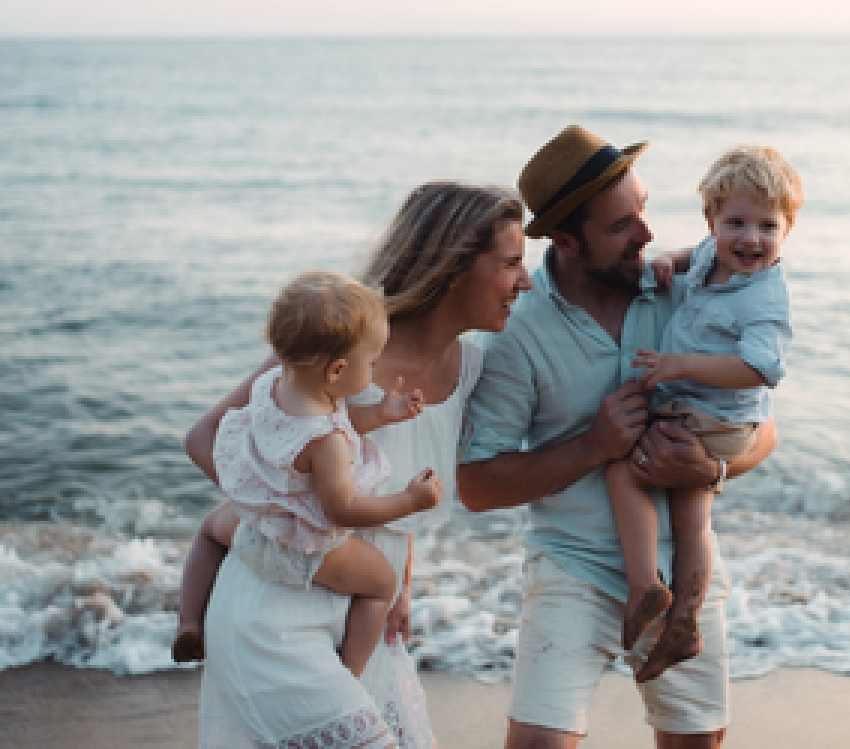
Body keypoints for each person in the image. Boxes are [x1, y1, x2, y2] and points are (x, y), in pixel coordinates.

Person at [458, 125, 779, 748]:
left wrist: (707, 473)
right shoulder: (517, 328)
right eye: (621, 226)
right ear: (567, 242)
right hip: (571, 571)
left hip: (684, 569)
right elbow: (476, 486)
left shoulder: (686, 294)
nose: (648, 235)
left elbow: (763, 430)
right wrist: (593, 445)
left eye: (644, 211)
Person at [185, 182, 530, 749]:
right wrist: (291, 531)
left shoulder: (468, 367)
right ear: (451, 268)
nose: (526, 280)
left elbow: (397, 482)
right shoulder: (339, 351)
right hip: (274, 622)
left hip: (366, 629)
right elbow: (206, 439)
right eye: (512, 263)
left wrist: (403, 584)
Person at [172, 270, 442, 678]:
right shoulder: (327, 441)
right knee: (382, 584)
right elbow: (343, 509)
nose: (374, 369)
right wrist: (410, 500)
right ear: (335, 372)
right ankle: (351, 671)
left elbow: (321, 419)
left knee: (210, 529)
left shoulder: (272, 384)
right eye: (370, 362)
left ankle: (189, 621)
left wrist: (383, 413)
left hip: (252, 527)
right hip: (297, 551)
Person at [611, 146, 801, 679]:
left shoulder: (765, 298)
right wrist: (667, 264)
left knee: (633, 475)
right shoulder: (710, 257)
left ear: (788, 229)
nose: (750, 239)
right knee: (681, 508)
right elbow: (690, 257)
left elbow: (760, 368)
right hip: (696, 408)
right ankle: (675, 617)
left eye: (767, 226)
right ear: (711, 223)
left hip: (717, 417)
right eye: (735, 222)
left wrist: (678, 365)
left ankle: (657, 595)